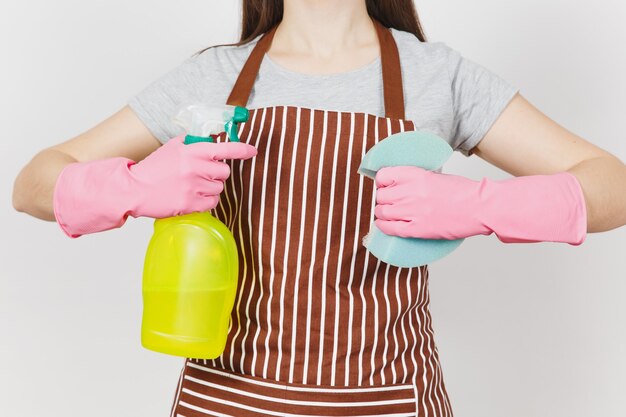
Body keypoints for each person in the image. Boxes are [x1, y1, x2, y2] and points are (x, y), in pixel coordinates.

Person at [12, 0, 626, 416]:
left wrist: (484, 203)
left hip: (385, 397)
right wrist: (135, 188)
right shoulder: (212, 76)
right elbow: (32, 184)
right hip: (226, 397)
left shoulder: (440, 76)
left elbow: (611, 187)